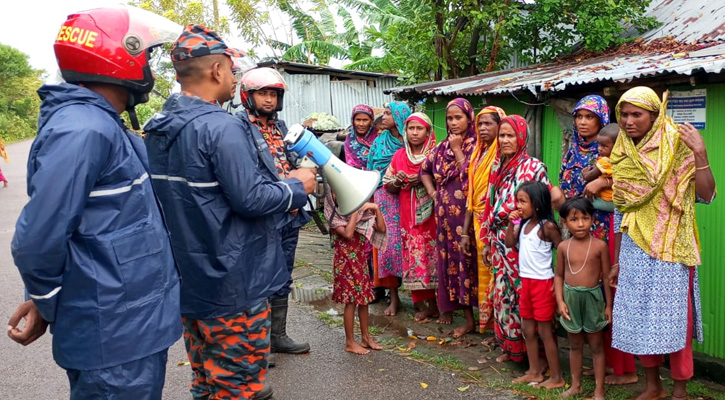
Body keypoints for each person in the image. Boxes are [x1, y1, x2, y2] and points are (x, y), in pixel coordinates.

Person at [8, 6, 183, 399]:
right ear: (120, 56)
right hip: (115, 337)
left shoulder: (100, 123)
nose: (150, 69)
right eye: (147, 57)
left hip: (128, 328)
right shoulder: (83, 129)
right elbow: (37, 240)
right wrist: (46, 301)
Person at [144, 24, 316, 400]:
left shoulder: (157, 126)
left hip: (190, 281)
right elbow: (251, 199)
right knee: (239, 387)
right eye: (232, 70)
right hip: (233, 283)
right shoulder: (222, 127)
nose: (234, 76)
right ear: (217, 71)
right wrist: (296, 186)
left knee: (206, 381)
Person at [609, 87, 716, 400]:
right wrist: (616, 261)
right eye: (624, 114)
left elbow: (707, 195)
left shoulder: (677, 147)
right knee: (637, 316)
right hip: (634, 248)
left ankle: (679, 389)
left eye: (637, 114)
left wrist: (701, 154)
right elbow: (621, 211)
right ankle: (653, 386)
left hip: (671, 249)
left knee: (674, 322)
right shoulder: (622, 152)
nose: (629, 121)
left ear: (655, 115)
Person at [559, 96, 636, 384]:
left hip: (608, 229)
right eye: (578, 116)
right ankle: (603, 362)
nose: (581, 122)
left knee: (611, 296)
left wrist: (603, 180)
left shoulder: (613, 150)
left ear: (601, 120)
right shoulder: (573, 150)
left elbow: (626, 185)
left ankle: (622, 368)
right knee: (591, 294)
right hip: (582, 229)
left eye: (588, 117)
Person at [237, 67, 313, 355]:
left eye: (273, 94)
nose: (268, 99)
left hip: (290, 213)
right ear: (248, 95)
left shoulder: (281, 128)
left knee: (283, 275)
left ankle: (277, 336)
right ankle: (257, 346)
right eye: (262, 93)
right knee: (258, 277)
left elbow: (295, 158)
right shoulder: (239, 128)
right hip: (262, 213)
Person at [481, 115, 561, 362]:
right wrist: (487, 238)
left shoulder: (533, 167)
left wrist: (507, 217)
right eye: (502, 135)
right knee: (504, 296)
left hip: (523, 242)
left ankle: (537, 357)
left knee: (526, 299)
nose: (504, 140)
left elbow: (539, 202)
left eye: (510, 135)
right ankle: (511, 348)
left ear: (521, 137)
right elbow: (489, 203)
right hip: (500, 241)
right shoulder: (497, 166)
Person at [421, 98, 478, 337]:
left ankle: (482, 320)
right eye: (450, 118)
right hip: (445, 219)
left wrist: (457, 149)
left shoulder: (478, 146)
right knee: (451, 264)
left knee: (471, 264)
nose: (453, 123)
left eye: (458, 117)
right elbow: (424, 170)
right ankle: (463, 316)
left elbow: (472, 176)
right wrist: (434, 193)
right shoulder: (441, 147)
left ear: (469, 118)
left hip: (469, 218)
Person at [504, 181, 564, 389]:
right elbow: (509, 244)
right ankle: (534, 371)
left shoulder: (546, 226)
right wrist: (511, 223)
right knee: (528, 330)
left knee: (545, 332)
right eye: (517, 201)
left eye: (523, 201)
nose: (518, 205)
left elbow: (562, 250)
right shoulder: (523, 224)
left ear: (537, 204)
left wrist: (559, 284)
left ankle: (556, 377)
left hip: (543, 284)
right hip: (527, 283)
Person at [555, 196, 613, 400]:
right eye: (574, 219)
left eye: (585, 218)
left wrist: (608, 306)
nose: (580, 224)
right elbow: (559, 275)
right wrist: (560, 301)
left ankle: (599, 389)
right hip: (571, 298)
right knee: (575, 344)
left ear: (592, 219)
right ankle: (576, 385)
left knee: (596, 345)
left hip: (593, 299)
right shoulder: (563, 247)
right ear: (565, 222)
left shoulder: (599, 246)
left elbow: (606, 277)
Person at [384, 112, 438, 322]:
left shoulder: (435, 155)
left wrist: (424, 179)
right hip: (408, 216)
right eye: (410, 128)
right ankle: (422, 304)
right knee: (415, 257)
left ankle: (438, 305)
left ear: (428, 131)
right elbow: (388, 186)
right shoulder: (399, 156)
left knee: (434, 257)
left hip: (433, 217)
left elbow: (446, 179)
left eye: (419, 128)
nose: (414, 133)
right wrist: (398, 181)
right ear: (405, 131)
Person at [460, 106, 506, 334]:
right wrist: (465, 231)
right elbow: (471, 195)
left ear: (501, 125)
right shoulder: (478, 154)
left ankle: (501, 330)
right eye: (480, 124)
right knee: (484, 275)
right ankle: (488, 328)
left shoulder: (503, 154)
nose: (483, 128)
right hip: (478, 222)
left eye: (488, 123)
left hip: (495, 224)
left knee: (497, 276)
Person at [324, 191, 386, 355]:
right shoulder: (333, 216)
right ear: (331, 197)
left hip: (360, 262)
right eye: (337, 193)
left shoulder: (361, 214)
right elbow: (348, 233)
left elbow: (381, 228)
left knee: (364, 299)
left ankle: (366, 337)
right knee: (350, 301)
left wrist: (376, 209)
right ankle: (350, 342)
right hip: (345, 265)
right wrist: (354, 212)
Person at [367, 101, 411, 316]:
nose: (383, 117)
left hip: (409, 196)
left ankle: (419, 298)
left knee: (411, 246)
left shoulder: (412, 141)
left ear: (399, 116)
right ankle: (394, 298)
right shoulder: (379, 142)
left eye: (387, 113)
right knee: (388, 248)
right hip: (384, 197)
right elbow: (371, 169)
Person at [582, 123, 618, 212]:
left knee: (584, 202)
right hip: (616, 199)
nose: (600, 149)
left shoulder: (605, 161)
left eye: (604, 146)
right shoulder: (619, 160)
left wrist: (585, 173)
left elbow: (589, 176)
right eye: (599, 145)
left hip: (608, 201)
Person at [344, 104, 379, 170]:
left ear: (371, 121)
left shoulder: (379, 135)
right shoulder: (350, 138)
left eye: (365, 120)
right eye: (358, 120)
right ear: (353, 121)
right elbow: (350, 164)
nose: (361, 124)